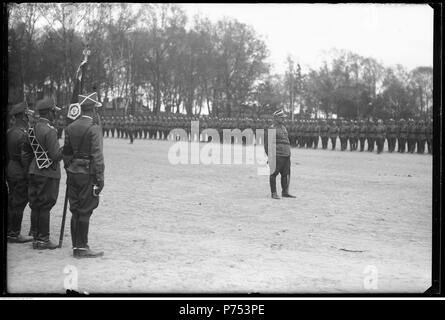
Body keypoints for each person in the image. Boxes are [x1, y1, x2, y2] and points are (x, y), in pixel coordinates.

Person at [62, 92, 105, 258]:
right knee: (85, 210)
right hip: (88, 174)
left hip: (72, 173)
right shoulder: (94, 129)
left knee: (75, 209)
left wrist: (70, 168)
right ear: (93, 109)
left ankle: (76, 246)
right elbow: (98, 156)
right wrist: (100, 178)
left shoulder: (70, 127)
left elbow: (66, 153)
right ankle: (82, 247)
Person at [22, 98, 63, 249]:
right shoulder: (50, 131)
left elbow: (25, 152)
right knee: (45, 206)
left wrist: (29, 168)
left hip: (33, 170)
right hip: (48, 173)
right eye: (54, 112)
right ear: (50, 113)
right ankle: (43, 240)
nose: (55, 115)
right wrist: (65, 149)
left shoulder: (31, 129)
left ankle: (36, 236)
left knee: (35, 205)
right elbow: (55, 156)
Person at [6, 102, 34, 243]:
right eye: (28, 114)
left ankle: (10, 230)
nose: (29, 116)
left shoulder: (10, 132)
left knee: (12, 200)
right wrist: (28, 173)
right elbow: (25, 157)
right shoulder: (24, 134)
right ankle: (14, 233)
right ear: (23, 116)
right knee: (19, 202)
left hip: (10, 169)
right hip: (20, 171)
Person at [264, 109, 295, 200]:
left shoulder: (283, 127)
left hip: (286, 155)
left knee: (286, 174)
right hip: (277, 155)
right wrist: (270, 156)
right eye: (281, 117)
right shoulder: (272, 128)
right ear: (276, 118)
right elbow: (267, 144)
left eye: (283, 117)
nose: (283, 119)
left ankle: (285, 192)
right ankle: (274, 193)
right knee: (273, 174)